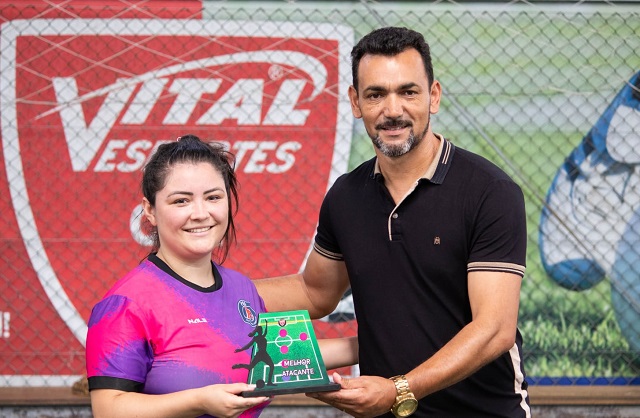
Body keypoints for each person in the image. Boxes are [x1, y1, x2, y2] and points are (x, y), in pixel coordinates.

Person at [255, 27, 530, 418]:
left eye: (408, 92)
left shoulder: (489, 192)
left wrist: (399, 390)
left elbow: (494, 330)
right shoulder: (346, 197)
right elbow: (315, 292)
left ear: (434, 96)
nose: (393, 110)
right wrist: (212, 294)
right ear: (355, 102)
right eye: (376, 94)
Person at [85, 135, 356, 418]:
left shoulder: (242, 288)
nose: (200, 213)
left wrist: (367, 345)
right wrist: (199, 401)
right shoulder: (125, 304)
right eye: (181, 201)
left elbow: (278, 357)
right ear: (150, 210)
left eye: (213, 197)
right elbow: (108, 409)